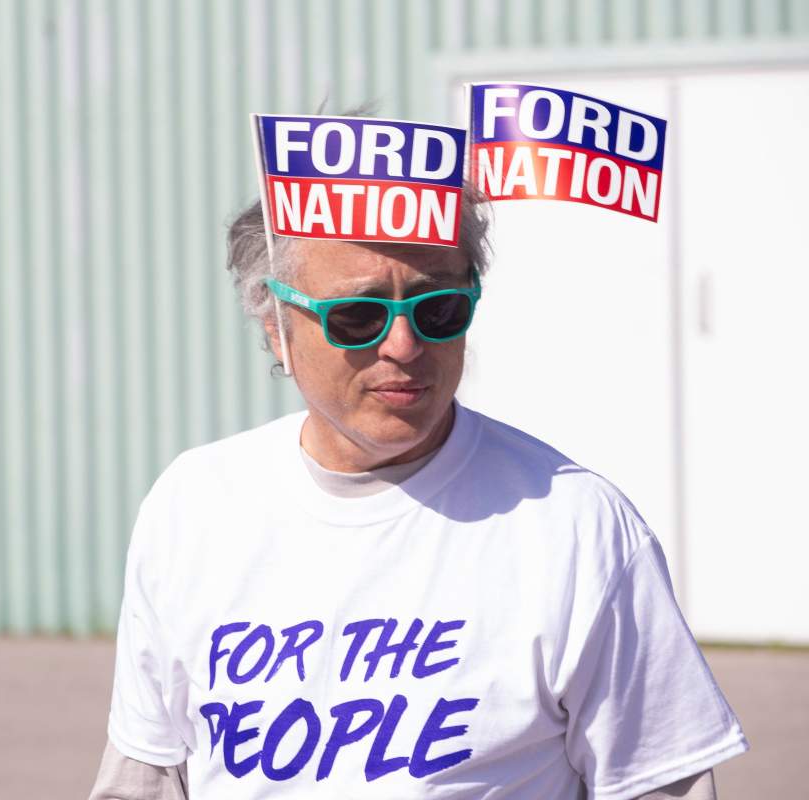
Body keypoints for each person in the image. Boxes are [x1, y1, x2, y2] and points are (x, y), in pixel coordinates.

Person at [89, 183, 747, 799]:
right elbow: (147, 774)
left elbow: (659, 782)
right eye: (357, 316)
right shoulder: (193, 507)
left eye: (438, 309)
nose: (404, 345)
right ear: (275, 326)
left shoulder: (577, 526)